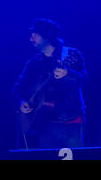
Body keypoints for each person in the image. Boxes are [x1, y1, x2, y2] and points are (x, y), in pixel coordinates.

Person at [13, 19, 87, 149]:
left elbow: (84, 79)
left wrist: (68, 74)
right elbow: (18, 88)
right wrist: (22, 102)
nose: (31, 38)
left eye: (35, 34)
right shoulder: (34, 63)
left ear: (47, 35)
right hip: (45, 123)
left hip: (70, 121)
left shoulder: (70, 54)